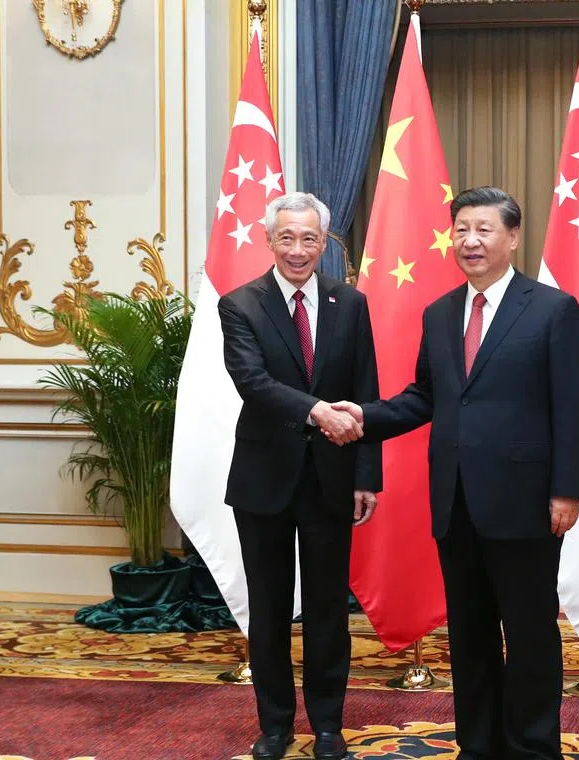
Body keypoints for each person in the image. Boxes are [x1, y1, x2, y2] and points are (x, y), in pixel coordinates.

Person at [335, 186, 579, 759]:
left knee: (529, 637)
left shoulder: (553, 309)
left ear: (513, 237)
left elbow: (575, 407)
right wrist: (365, 416)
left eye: (484, 230)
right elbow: (426, 397)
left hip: (527, 503)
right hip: (455, 503)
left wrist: (567, 490)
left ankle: (531, 748)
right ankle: (478, 746)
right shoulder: (441, 312)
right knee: (469, 638)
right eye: (461, 230)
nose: (470, 241)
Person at [218, 192, 380, 760]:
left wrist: (367, 474)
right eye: (286, 237)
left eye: (309, 238)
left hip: (332, 481)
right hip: (264, 481)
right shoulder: (241, 304)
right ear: (269, 240)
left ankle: (329, 725)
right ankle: (276, 726)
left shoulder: (350, 303)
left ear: (324, 243)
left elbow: (366, 391)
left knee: (329, 611)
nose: (297, 249)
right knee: (268, 610)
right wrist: (316, 411)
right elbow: (253, 383)